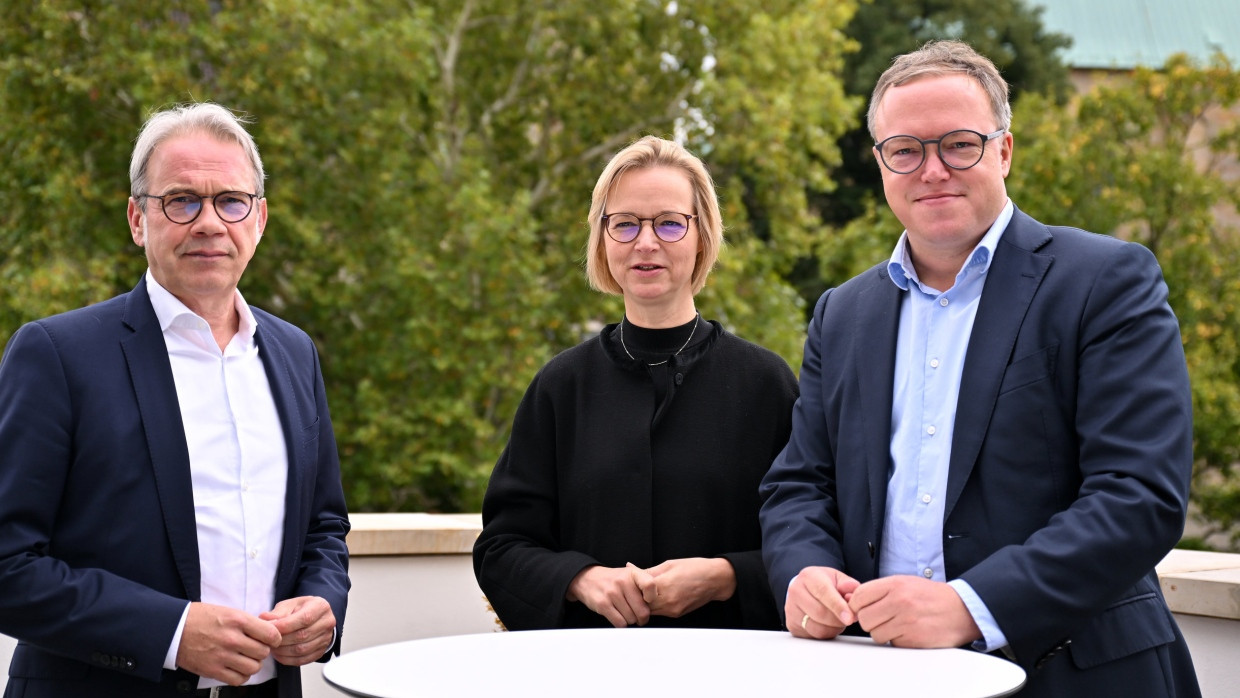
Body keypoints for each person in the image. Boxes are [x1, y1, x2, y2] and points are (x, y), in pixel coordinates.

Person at [758, 40, 1200, 697]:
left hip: (1072, 674)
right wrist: (805, 573)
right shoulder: (842, 314)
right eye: (906, 150)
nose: (931, 169)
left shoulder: (1105, 281)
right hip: (880, 673)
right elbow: (800, 483)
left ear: (1004, 151)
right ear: (881, 163)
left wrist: (970, 604)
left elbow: (1139, 496)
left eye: (958, 144)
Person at [0, 103, 350, 698]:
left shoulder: (294, 353)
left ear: (259, 219)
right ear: (138, 219)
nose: (210, 222)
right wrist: (171, 632)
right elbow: (7, 564)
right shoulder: (57, 354)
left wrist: (323, 601)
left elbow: (323, 525)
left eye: (231, 201)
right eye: (181, 200)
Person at [473, 135, 797, 631]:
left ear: (702, 237)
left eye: (670, 223)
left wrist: (726, 576)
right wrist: (580, 578)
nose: (646, 243)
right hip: (588, 673)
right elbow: (500, 548)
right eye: (625, 224)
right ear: (603, 240)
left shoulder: (765, 384)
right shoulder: (561, 387)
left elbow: (811, 539)